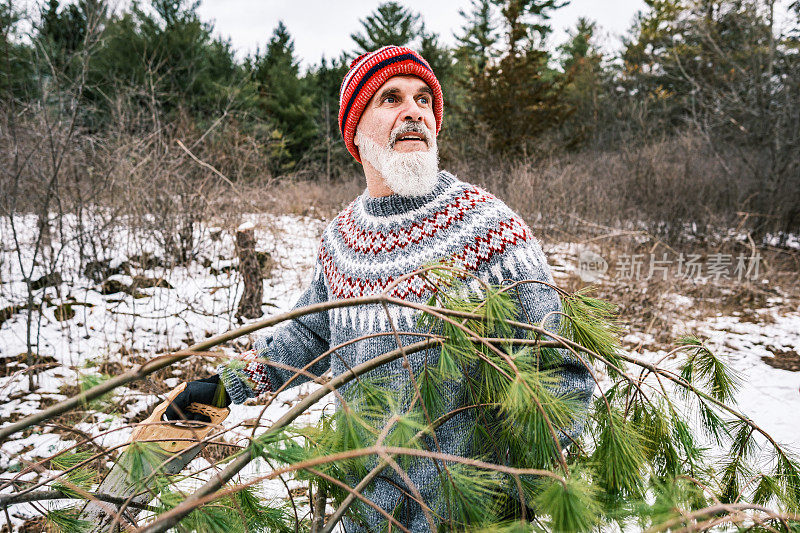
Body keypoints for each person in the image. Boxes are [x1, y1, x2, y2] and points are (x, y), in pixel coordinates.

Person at [166, 45, 594, 531]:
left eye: (424, 100)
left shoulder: (489, 228)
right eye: (390, 98)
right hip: (366, 513)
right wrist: (225, 385)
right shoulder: (342, 238)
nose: (414, 111)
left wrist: (525, 488)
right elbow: (309, 337)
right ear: (356, 131)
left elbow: (560, 373)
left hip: (473, 516)